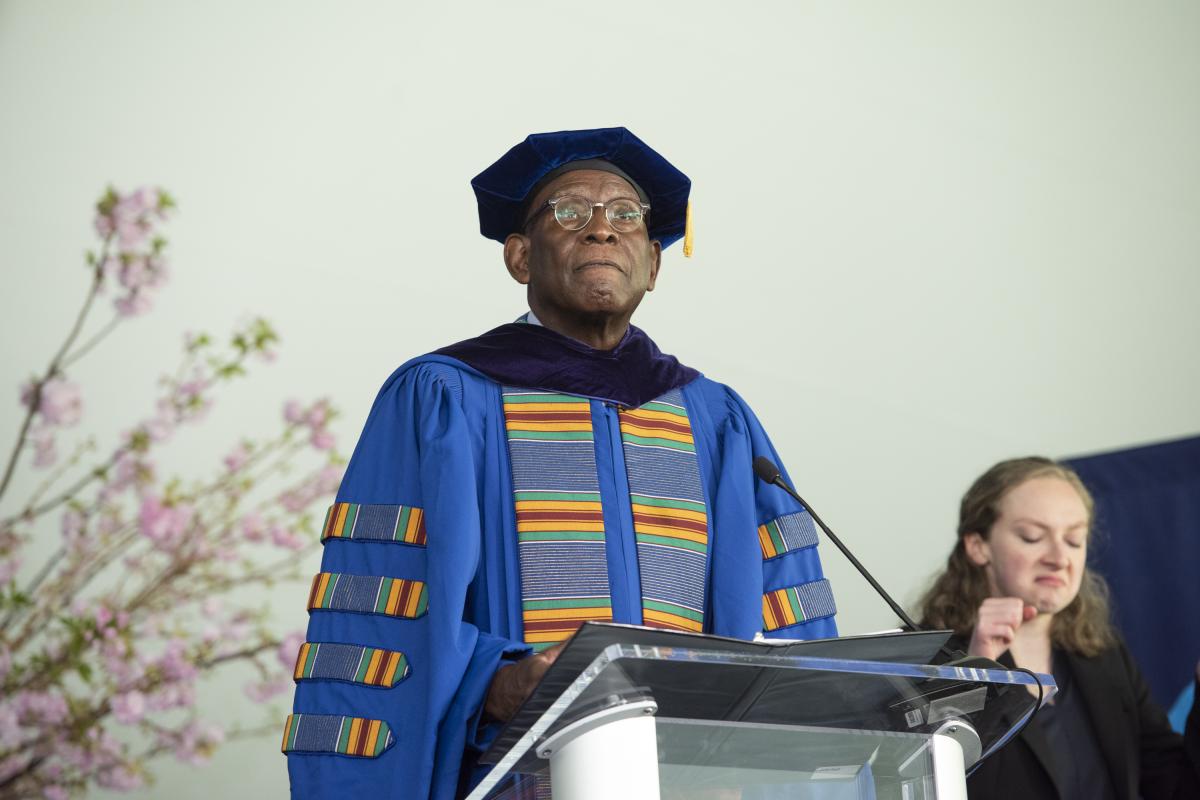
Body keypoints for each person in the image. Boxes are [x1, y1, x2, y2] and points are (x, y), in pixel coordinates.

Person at [282, 127, 839, 799]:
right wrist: (490, 681)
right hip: (512, 776)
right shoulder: (443, 397)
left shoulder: (715, 420)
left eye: (627, 216)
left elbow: (780, 627)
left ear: (655, 266)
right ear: (520, 257)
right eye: (571, 212)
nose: (602, 230)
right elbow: (385, 609)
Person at [919, 456, 1200, 800]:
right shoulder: (925, 658)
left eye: (1074, 540)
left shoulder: (1102, 654)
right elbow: (928, 781)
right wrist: (978, 667)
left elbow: (1177, 787)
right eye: (1032, 536)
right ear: (978, 546)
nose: (1058, 557)